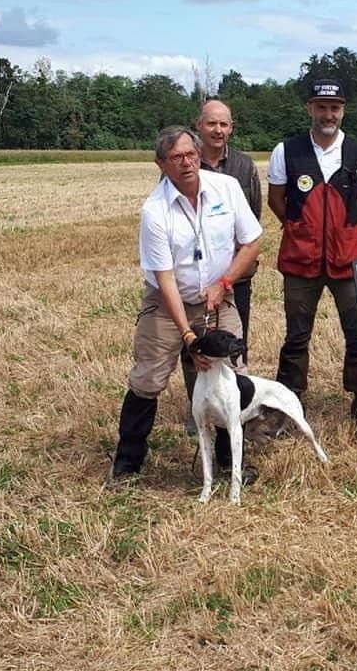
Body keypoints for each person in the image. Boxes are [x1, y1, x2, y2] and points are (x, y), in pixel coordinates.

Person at [109, 125, 262, 483]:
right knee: (148, 379)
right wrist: (189, 337)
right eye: (176, 157)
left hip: (218, 295)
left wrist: (224, 283)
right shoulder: (154, 211)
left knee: (230, 375)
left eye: (191, 154)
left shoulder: (227, 188)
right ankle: (127, 465)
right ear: (161, 164)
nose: (186, 163)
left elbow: (252, 242)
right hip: (167, 302)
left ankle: (228, 463)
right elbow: (164, 281)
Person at [267, 79, 357, 425]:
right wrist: (299, 226)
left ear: (343, 110)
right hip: (300, 260)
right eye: (321, 107)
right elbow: (276, 199)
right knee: (296, 334)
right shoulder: (286, 150)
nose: (328, 114)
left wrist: (352, 228)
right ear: (310, 109)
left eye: (334, 108)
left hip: (347, 261)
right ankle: (289, 403)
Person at [180, 98, 263, 437]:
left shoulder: (244, 167)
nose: (218, 130)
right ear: (198, 125)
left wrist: (233, 270)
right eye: (211, 123)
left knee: (233, 343)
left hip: (235, 276)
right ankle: (198, 408)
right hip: (194, 279)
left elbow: (253, 219)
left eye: (224, 124)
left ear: (231, 128)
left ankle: (239, 412)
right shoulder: (182, 162)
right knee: (194, 345)